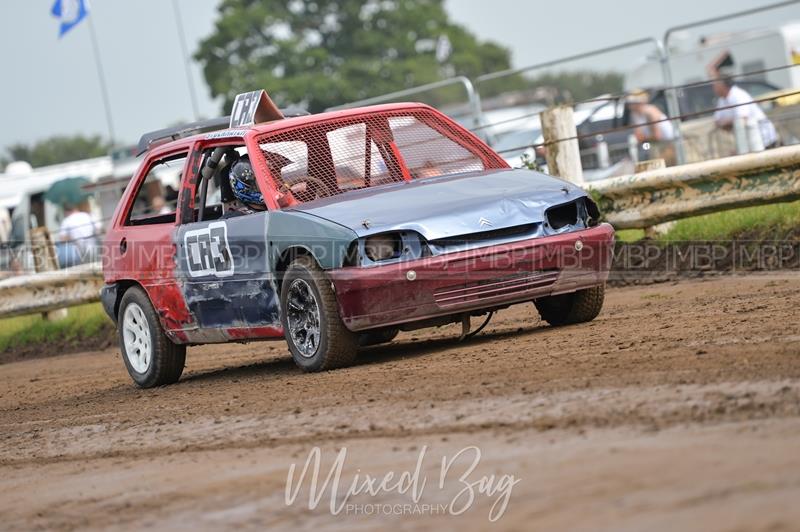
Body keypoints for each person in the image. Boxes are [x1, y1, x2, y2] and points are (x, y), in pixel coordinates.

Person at [707, 51, 779, 149]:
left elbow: (742, 120)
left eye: (715, 85)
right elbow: (717, 121)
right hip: (749, 142)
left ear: (722, 86)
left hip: (765, 139)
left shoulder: (738, 95)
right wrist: (731, 122)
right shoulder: (722, 100)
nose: (713, 88)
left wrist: (727, 122)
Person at [626, 89, 676, 165]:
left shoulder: (650, 112)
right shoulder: (634, 115)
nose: (629, 106)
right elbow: (639, 135)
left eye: (632, 103)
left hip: (668, 145)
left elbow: (657, 136)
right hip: (656, 146)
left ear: (639, 102)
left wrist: (644, 138)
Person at [57, 202, 98, 267]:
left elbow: (62, 239)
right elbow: (98, 229)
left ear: (66, 211)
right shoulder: (86, 215)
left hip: (79, 252)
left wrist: (71, 238)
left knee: (86, 268)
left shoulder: (66, 221)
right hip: (93, 247)